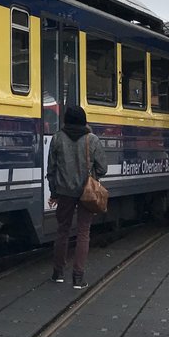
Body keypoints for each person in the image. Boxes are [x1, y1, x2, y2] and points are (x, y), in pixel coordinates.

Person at [46, 103, 108, 290]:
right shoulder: (92, 139)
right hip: (86, 193)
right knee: (83, 232)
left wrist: (54, 192)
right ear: (83, 120)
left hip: (64, 192)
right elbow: (102, 168)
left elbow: (51, 170)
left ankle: (58, 273)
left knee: (62, 231)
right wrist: (92, 174)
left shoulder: (57, 138)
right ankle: (78, 278)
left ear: (66, 120)